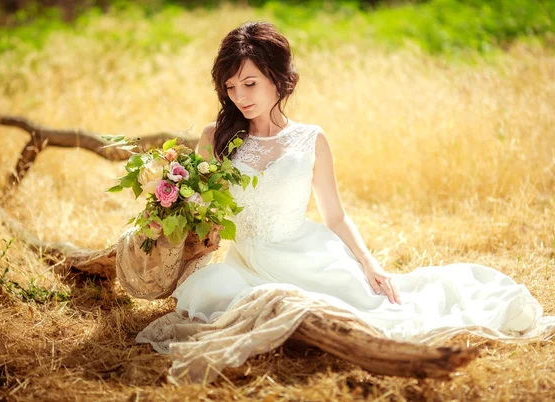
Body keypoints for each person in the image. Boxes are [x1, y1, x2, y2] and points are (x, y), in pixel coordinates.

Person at [133, 21, 554, 384]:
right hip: (246, 263)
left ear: (278, 79)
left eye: (250, 83)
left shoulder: (310, 139)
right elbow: (202, 211)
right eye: (230, 86)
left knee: (382, 317)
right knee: (211, 290)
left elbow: (334, 215)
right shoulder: (216, 136)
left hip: (309, 256)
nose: (240, 96)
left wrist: (371, 264)